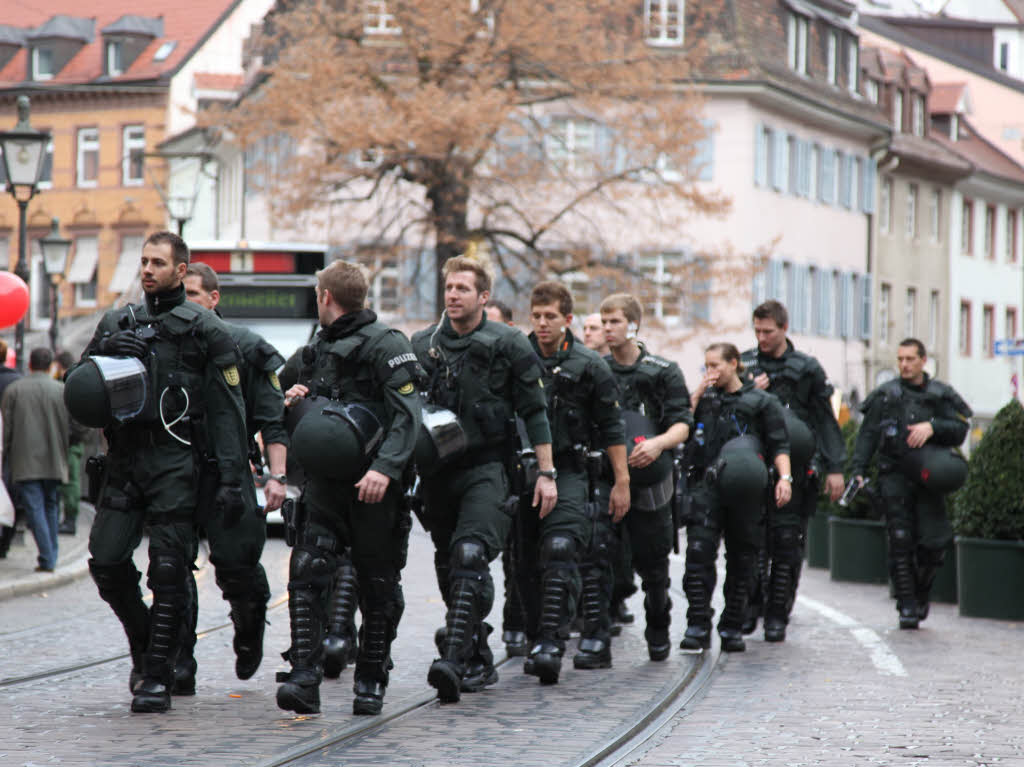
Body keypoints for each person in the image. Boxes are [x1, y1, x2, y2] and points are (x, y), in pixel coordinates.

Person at [71, 230, 253, 713]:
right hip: (126, 460)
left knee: (169, 571)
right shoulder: (117, 320)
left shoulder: (207, 330)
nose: (147, 269)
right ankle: (146, 642)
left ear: (180, 269)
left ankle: (156, 676)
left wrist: (233, 479)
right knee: (107, 561)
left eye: (158, 262)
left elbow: (228, 410)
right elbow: (80, 384)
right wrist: (107, 349)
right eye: (144, 260)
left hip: (177, 460)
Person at [276, 260, 422, 716]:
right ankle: (304, 677)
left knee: (377, 587)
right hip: (326, 485)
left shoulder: (388, 344)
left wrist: (385, 469)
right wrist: (297, 401)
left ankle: (371, 679)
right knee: (307, 567)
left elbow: (408, 415)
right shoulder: (317, 347)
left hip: (374, 488)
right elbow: (291, 397)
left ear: (325, 297)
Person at [412, 254, 556, 703]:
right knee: (447, 564)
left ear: (483, 296)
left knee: (471, 555)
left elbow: (535, 413)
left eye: (462, 289)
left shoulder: (509, 344)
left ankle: (452, 661)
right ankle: (475, 654)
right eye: (449, 288)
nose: (452, 295)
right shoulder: (422, 345)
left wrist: (547, 474)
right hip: (438, 473)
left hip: (488, 468)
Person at [180, 262, 289, 694]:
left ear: (213, 298)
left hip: (229, 473)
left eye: (192, 294)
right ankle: (176, 661)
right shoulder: (164, 345)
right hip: (176, 471)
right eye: (181, 293)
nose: (185, 302)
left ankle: (249, 630)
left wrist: (276, 477)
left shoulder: (247, 347)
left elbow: (272, 420)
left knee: (236, 565)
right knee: (171, 569)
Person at [516, 282, 628, 682]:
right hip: (521, 472)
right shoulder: (516, 356)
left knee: (561, 548)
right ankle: (534, 636)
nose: (543, 324)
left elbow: (614, 428)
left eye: (551, 317)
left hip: (571, 470)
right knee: (524, 561)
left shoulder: (589, 364)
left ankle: (551, 642)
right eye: (537, 316)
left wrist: (622, 482)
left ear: (567, 320)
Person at [740, 300, 845, 642]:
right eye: (757, 331)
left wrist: (834, 468)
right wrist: (747, 394)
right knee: (751, 542)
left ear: (784, 328)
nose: (762, 338)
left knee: (786, 543)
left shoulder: (807, 368)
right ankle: (751, 605)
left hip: (797, 469)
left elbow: (825, 420)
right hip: (755, 466)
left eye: (768, 331)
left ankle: (777, 615)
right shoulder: (744, 364)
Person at [850, 338, 971, 630]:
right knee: (900, 541)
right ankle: (906, 605)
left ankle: (921, 591)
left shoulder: (939, 395)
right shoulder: (885, 396)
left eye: (910, 359)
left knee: (933, 543)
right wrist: (858, 470)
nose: (904, 365)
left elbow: (960, 429)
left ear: (923, 360)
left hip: (928, 479)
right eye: (900, 359)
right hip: (894, 475)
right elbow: (867, 436)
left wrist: (933, 427)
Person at [683, 343, 792, 652]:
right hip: (706, 486)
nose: (710, 372)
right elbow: (682, 427)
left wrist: (785, 479)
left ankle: (732, 626)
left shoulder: (760, 401)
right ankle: (697, 624)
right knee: (698, 553)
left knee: (744, 558)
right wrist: (696, 395)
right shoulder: (703, 399)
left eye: (716, 365)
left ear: (734, 364)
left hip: (746, 490)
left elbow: (779, 444)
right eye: (706, 366)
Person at [600, 294, 691, 661]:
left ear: (633, 325)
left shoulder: (662, 370)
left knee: (654, 564)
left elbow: (683, 423)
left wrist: (658, 444)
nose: (607, 329)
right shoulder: (596, 368)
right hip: (606, 478)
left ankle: (658, 625)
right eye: (603, 322)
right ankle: (598, 631)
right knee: (599, 555)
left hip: (652, 478)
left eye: (614, 322)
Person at [581, 310, 634, 629]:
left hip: (619, 464)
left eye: (594, 328)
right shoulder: (578, 367)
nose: (588, 333)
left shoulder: (621, 370)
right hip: (587, 463)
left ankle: (615, 598)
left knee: (615, 540)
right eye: (584, 328)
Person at [1, 347, 69, 572]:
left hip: (26, 460)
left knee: (36, 508)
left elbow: (6, 431)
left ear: (29, 364)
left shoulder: (15, 390)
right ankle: (52, 555)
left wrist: (6, 457)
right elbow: (78, 427)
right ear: (50, 365)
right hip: (55, 459)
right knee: (50, 506)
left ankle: (48, 557)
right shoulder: (61, 390)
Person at [53, 350, 88, 536]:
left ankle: (69, 520)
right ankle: (68, 518)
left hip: (69, 442)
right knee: (69, 480)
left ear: (60, 365)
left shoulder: (69, 385)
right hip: (72, 441)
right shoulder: (77, 383)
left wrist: (69, 436)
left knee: (70, 481)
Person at [0, 338, 22, 557]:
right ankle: (4, 543)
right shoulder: (17, 381)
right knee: (8, 495)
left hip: (5, 443)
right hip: (9, 447)